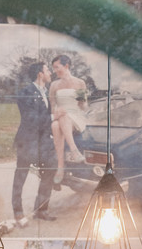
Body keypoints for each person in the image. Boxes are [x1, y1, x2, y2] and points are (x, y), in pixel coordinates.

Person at [11, 60, 57, 226]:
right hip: (27, 142)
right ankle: (18, 213)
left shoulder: (47, 92)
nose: (50, 73)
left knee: (50, 170)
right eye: (47, 70)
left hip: (44, 143)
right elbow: (31, 119)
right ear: (40, 74)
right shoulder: (25, 93)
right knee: (20, 176)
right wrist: (53, 118)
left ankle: (41, 210)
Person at [48, 54, 89, 185]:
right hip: (61, 116)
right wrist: (56, 112)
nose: (55, 71)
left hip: (76, 116)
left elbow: (83, 106)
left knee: (61, 120)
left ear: (66, 66)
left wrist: (83, 100)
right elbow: (52, 106)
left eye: (57, 67)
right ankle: (64, 163)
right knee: (55, 125)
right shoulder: (54, 85)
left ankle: (66, 160)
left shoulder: (79, 83)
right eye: (53, 68)